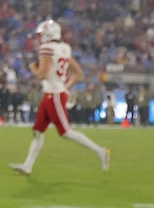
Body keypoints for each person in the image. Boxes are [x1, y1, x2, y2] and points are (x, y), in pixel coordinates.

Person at [10, 19, 110, 176]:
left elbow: (42, 74)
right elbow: (78, 73)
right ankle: (27, 165)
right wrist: (65, 87)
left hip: (54, 95)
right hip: (54, 93)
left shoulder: (47, 48)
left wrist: (32, 68)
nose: (39, 38)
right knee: (38, 131)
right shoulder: (64, 48)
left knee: (65, 132)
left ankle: (100, 151)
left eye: (41, 34)